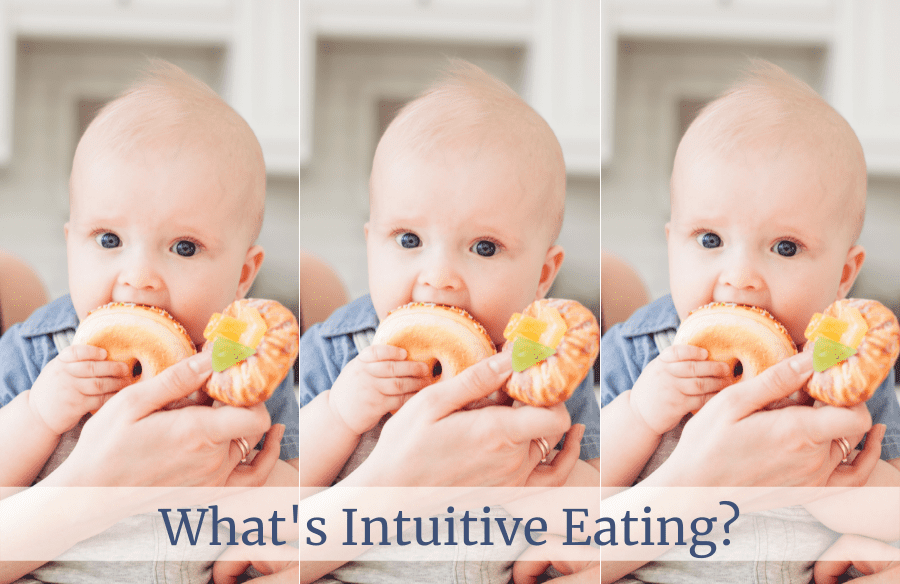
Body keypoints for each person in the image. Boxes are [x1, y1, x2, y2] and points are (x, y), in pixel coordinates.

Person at [298, 60, 601, 582]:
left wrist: (550, 480)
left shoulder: (550, 367)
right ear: (371, 243)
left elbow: (594, 503)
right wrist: (342, 414)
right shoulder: (336, 350)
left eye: (484, 248)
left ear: (543, 274)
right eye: (409, 241)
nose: (439, 278)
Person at [600, 60, 900, 582]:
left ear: (845, 274)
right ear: (672, 243)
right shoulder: (639, 350)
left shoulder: (852, 369)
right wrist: (643, 415)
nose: (740, 278)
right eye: (710, 241)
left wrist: (833, 484)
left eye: (785, 247)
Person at [0, 60, 298, 583]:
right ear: (70, 243)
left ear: (243, 275)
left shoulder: (249, 367)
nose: (139, 278)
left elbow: (298, 498)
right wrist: (41, 414)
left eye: (184, 247)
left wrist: (258, 484)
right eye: (109, 241)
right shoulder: (36, 352)